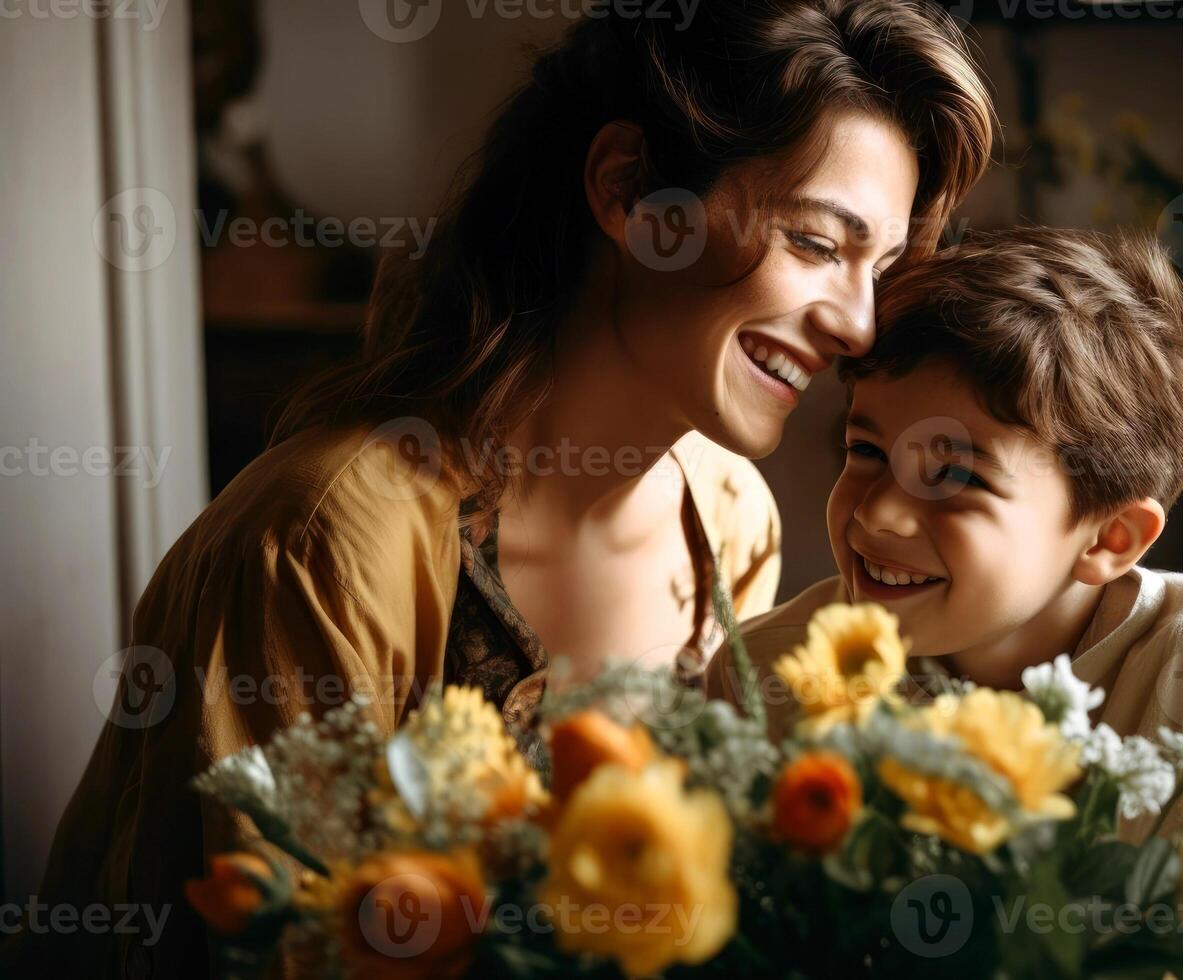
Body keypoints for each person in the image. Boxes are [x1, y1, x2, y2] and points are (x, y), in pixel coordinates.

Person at [8, 4, 997, 975]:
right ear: (629, 190)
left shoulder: (732, 519)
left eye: (885, 266)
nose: (860, 326)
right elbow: (274, 945)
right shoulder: (324, 543)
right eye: (821, 244)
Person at [704, 226, 1183, 925]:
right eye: (866, 451)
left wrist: (1176, 967)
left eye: (955, 478)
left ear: (1111, 536)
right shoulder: (767, 674)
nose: (880, 517)